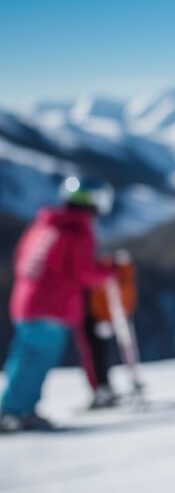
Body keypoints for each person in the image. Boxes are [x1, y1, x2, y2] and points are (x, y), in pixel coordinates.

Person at [1, 177, 115, 432]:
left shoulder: (44, 224)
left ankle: (16, 408)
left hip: (25, 303)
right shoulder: (78, 231)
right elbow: (83, 272)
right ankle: (15, 413)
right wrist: (109, 273)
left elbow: (21, 259)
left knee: (24, 357)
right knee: (37, 359)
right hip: (53, 306)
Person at [79, 249, 137, 408]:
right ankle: (103, 388)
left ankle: (102, 389)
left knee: (94, 352)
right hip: (98, 314)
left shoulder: (111, 270)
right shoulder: (118, 270)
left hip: (93, 314)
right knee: (97, 352)